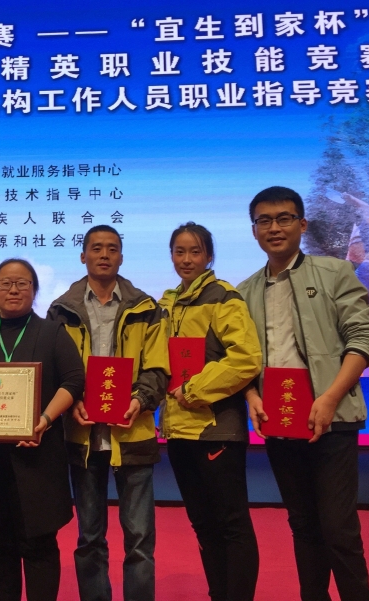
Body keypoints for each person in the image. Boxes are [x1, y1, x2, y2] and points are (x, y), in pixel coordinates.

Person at [239, 186, 369, 601]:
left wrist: (331, 397)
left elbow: (364, 338)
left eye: (284, 218)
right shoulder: (244, 292)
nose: (274, 228)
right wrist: (252, 396)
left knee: (338, 528)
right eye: (264, 221)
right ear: (254, 230)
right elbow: (240, 357)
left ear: (302, 225)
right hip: (281, 421)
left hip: (333, 418)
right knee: (302, 525)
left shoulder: (335, 272)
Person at [47, 225, 165, 601]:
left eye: (112, 248)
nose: (104, 255)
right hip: (82, 438)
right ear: (83, 256)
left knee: (140, 539)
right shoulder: (61, 310)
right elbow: (54, 370)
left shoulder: (146, 308)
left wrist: (139, 400)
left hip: (132, 435)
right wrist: (72, 402)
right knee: (89, 538)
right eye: (96, 248)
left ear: (121, 257)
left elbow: (158, 368)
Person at [0, 259, 84, 601]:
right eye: (5, 283)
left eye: (22, 283)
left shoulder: (52, 333)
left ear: (34, 290)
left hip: (37, 459)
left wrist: (44, 419)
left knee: (39, 544)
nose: (13, 290)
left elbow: (74, 381)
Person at [158, 224, 262, 601]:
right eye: (179, 251)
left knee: (232, 524)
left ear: (209, 256)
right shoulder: (166, 303)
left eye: (195, 251)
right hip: (178, 432)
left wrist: (194, 390)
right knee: (203, 524)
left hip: (216, 430)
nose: (186, 259)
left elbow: (246, 358)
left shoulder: (224, 296)